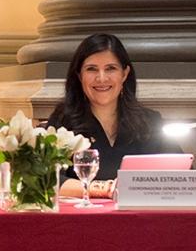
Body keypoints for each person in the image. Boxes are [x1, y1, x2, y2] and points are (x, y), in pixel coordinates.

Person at [46, 33, 182, 198]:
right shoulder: (63, 121)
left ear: (124, 74)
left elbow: (183, 173)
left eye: (111, 68)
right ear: (79, 75)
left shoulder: (150, 122)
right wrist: (106, 189)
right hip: (82, 219)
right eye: (91, 69)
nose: (101, 78)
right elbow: (48, 179)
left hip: (140, 219)